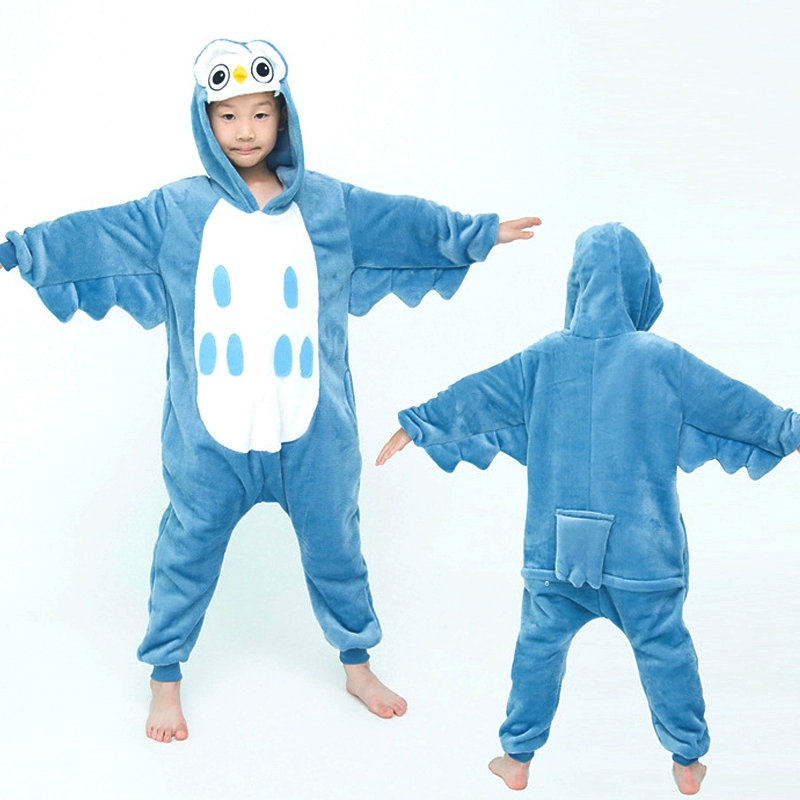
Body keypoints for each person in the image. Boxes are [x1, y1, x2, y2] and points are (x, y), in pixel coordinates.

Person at [0, 38, 540, 743]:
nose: (245, 130)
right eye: (227, 116)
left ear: (283, 116)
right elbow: (96, 236)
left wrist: (475, 233)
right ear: (205, 121)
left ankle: (357, 664)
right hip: (208, 440)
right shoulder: (176, 211)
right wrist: (25, 249)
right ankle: (165, 677)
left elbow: (403, 225)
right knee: (185, 555)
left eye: (260, 113)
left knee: (337, 549)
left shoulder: (329, 205)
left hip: (313, 433)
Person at [377, 222, 800, 795]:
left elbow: (476, 397)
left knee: (538, 648)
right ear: (638, 286)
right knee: (664, 648)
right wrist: (789, 429)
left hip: (556, 551)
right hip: (641, 556)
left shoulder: (541, 360)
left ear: (577, 284)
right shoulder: (662, 361)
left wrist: (417, 424)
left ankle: (517, 757)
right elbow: (736, 407)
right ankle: (686, 761)